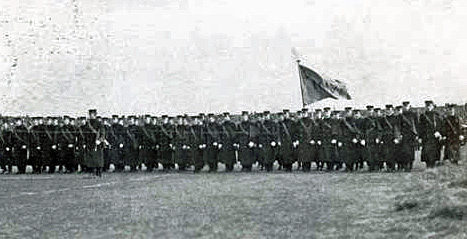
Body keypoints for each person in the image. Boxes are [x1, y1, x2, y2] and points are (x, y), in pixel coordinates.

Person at [419, 101, 444, 168]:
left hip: (434, 137)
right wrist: (420, 137)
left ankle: (433, 165)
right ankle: (428, 165)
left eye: (430, 106)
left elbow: (441, 125)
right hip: (426, 136)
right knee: (427, 152)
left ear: (432, 106)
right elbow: (420, 127)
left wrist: (439, 132)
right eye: (427, 106)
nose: (428, 107)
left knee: (434, 151)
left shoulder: (437, 115)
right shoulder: (423, 115)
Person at [82, 109, 105, 176]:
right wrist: (84, 142)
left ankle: (99, 172)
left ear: (95, 115)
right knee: (91, 158)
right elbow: (85, 134)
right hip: (89, 143)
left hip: (97, 143)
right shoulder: (88, 124)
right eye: (90, 114)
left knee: (98, 158)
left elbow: (103, 133)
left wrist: (100, 140)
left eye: (92, 114)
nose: (90, 116)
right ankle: (93, 172)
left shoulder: (99, 123)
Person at [400, 101, 419, 171]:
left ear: (409, 106)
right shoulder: (401, 115)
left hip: (411, 135)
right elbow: (400, 126)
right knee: (404, 151)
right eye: (404, 106)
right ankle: (405, 166)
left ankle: (410, 165)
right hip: (404, 135)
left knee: (411, 151)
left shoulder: (413, 114)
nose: (405, 107)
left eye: (407, 106)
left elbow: (417, 125)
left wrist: (417, 134)